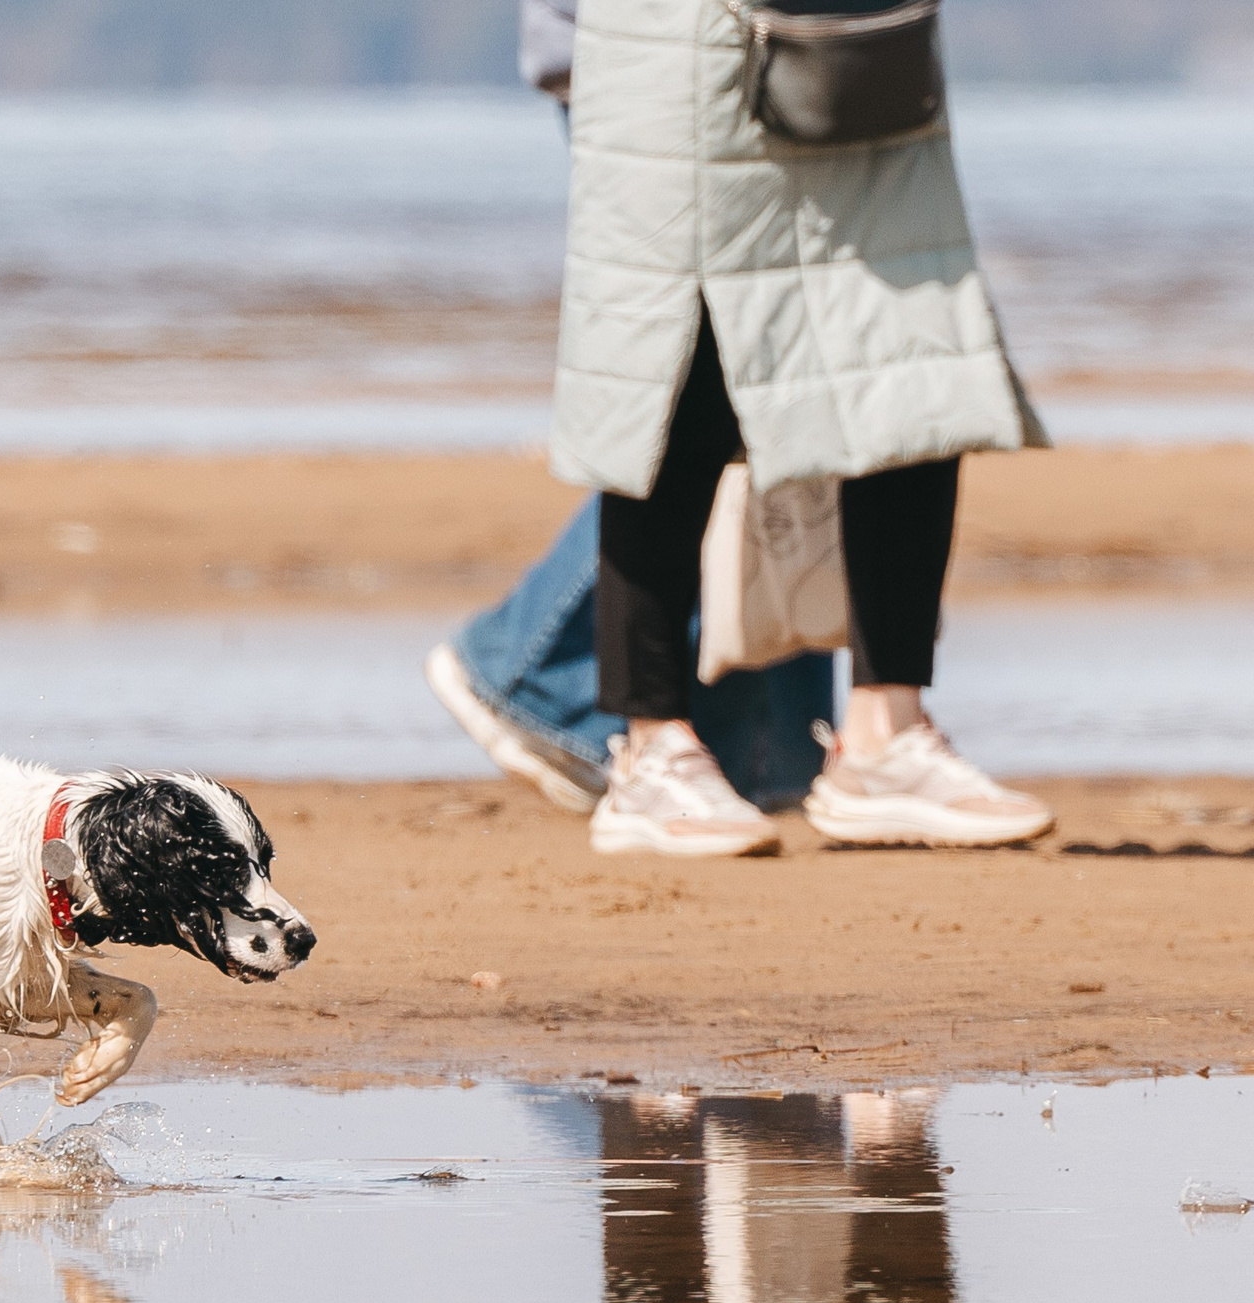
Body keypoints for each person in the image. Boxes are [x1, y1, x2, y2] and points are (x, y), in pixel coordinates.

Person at [553, 0, 1054, 857]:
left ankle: (884, 736)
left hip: (859, 38)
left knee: (912, 356)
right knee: (674, 372)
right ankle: (650, 749)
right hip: (682, 53)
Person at [427, 0, 833, 819]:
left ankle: (751, 741)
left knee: (772, 370)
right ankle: (534, 672)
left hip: (763, 47)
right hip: (658, 50)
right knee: (707, 379)